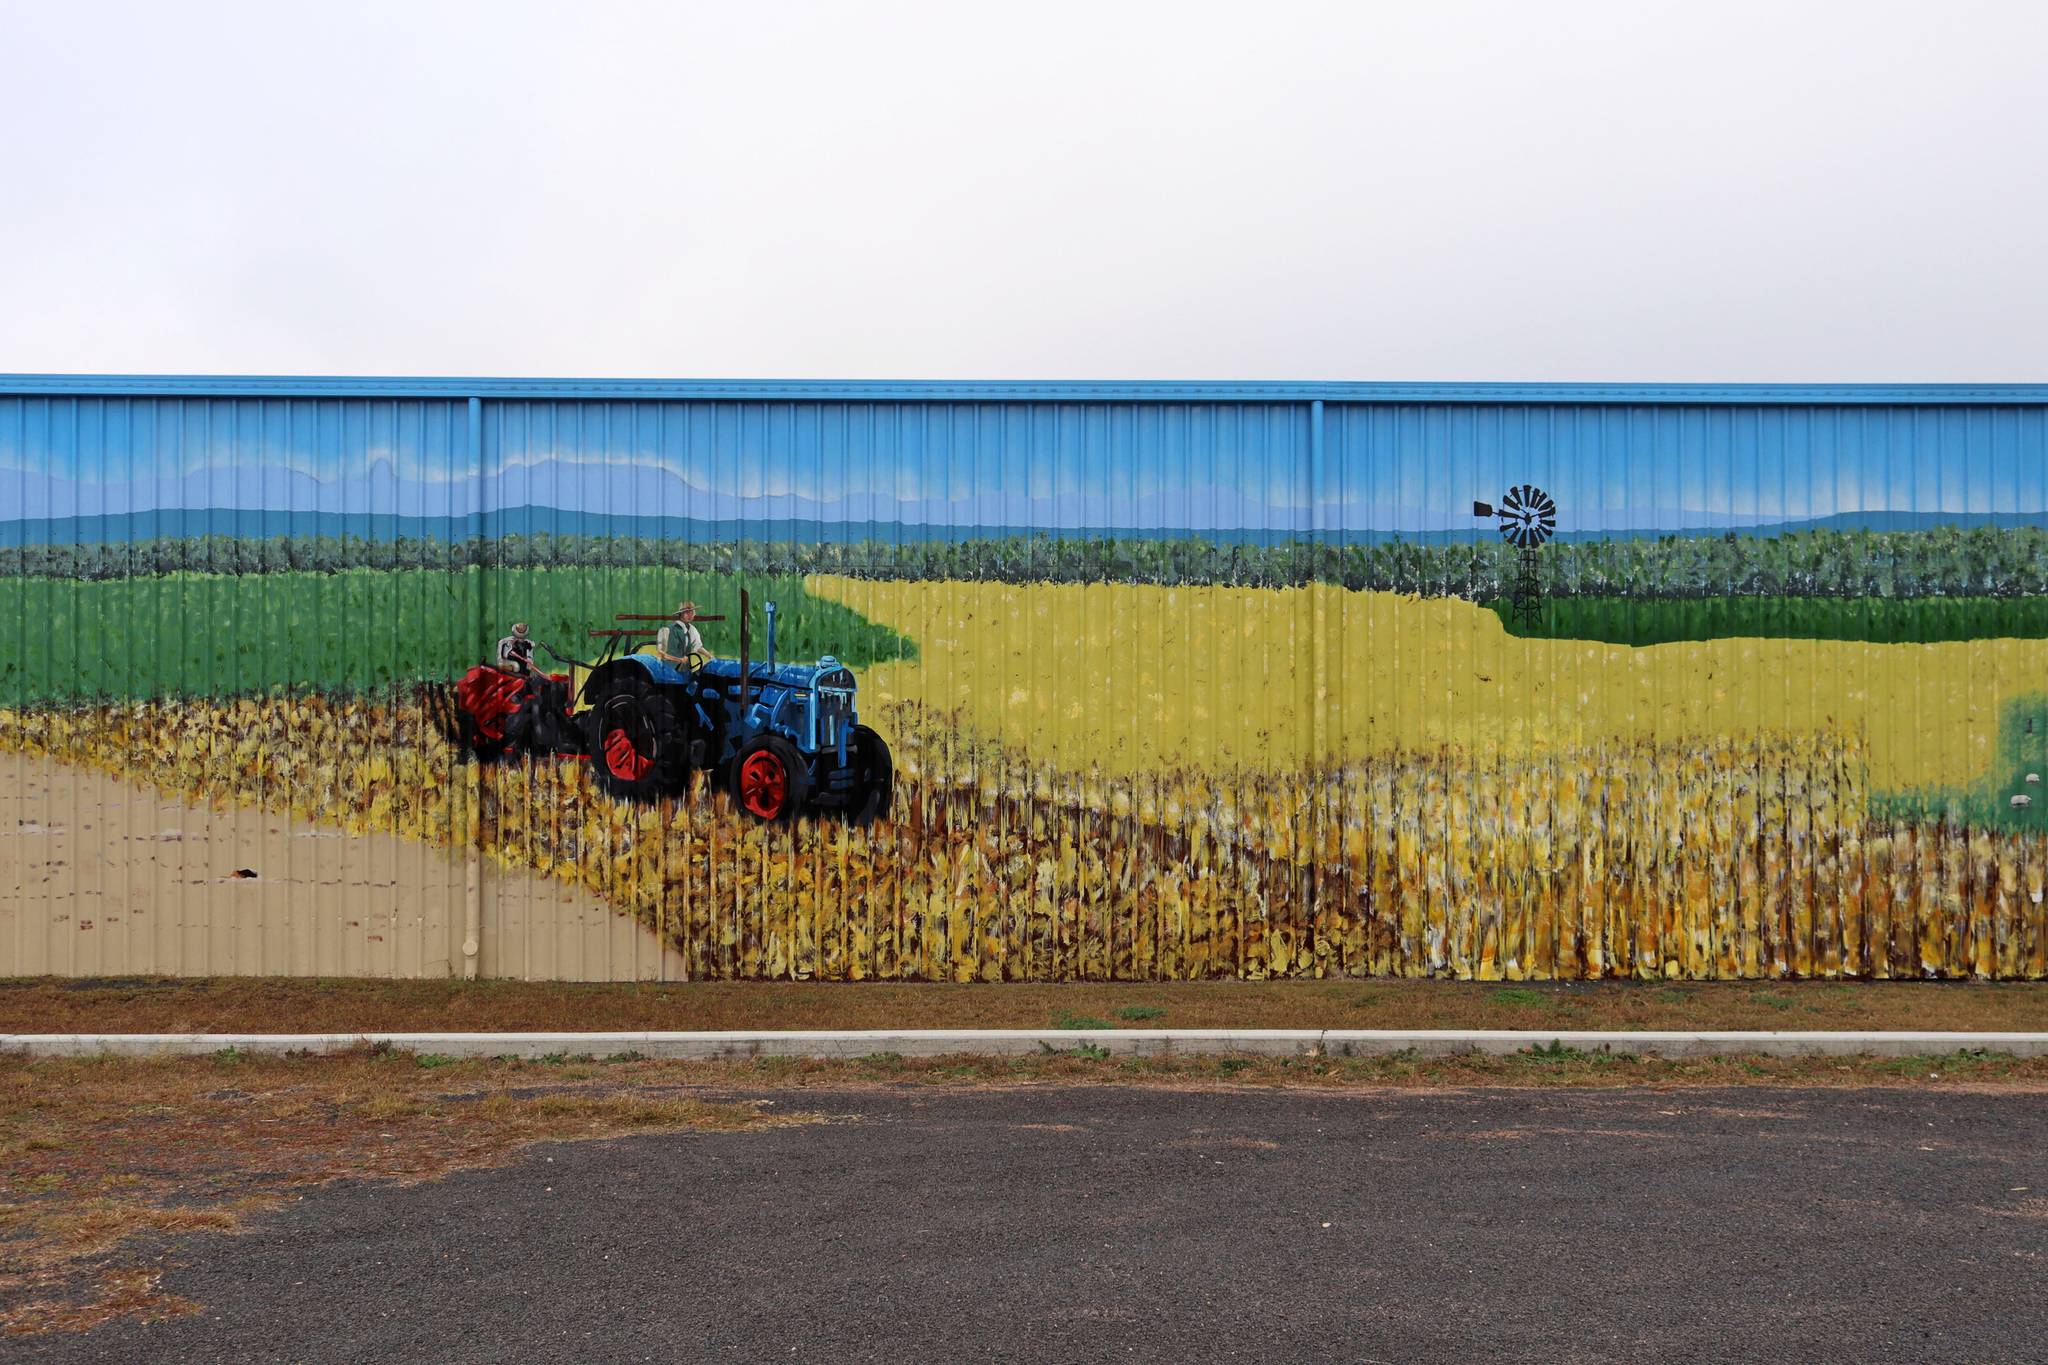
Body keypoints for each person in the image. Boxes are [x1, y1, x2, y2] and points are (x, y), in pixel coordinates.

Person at [657, 601, 711, 669]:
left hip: (685, 669)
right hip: (670, 669)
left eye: (692, 612)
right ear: (681, 614)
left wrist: (709, 656)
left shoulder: (691, 629)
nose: (691, 615)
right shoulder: (670, 629)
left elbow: (698, 646)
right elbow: (662, 654)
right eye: (687, 612)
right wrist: (680, 660)